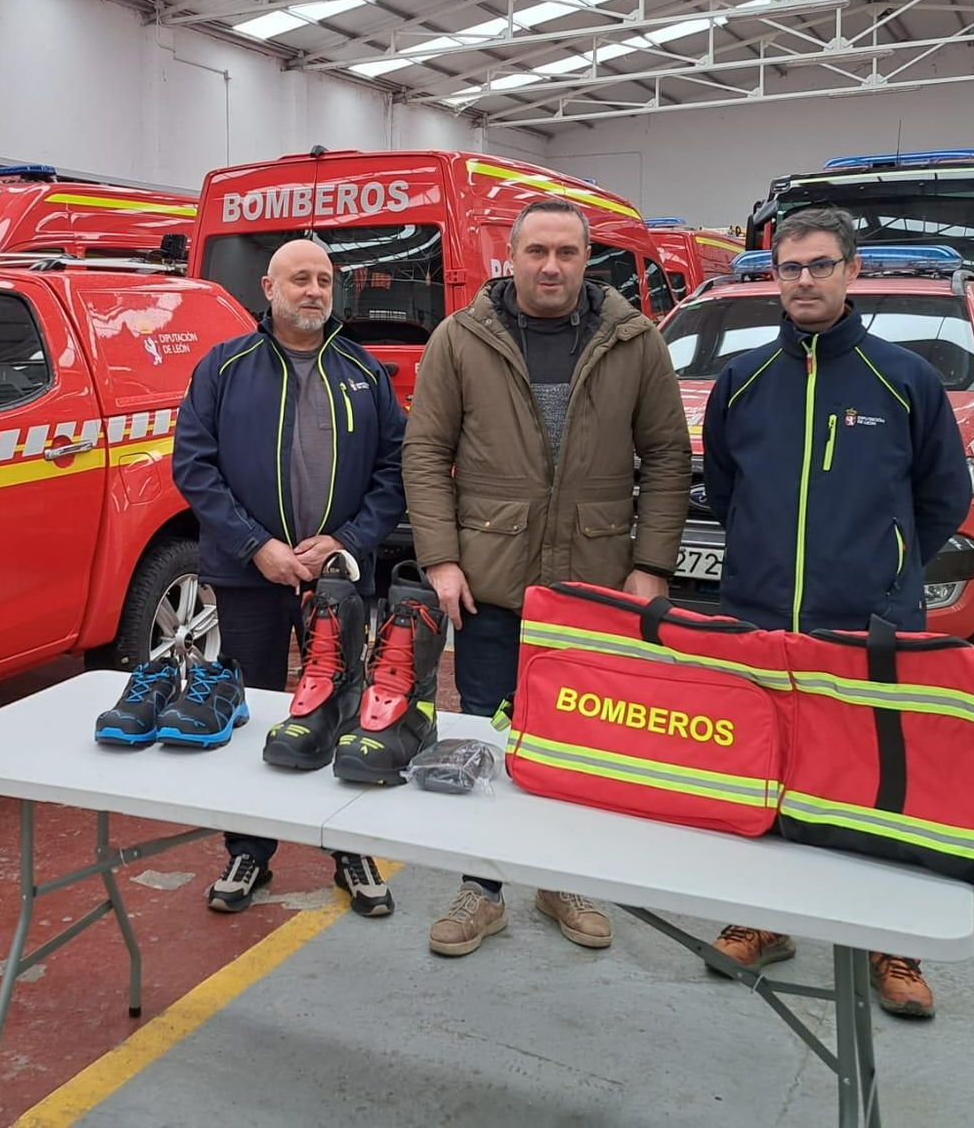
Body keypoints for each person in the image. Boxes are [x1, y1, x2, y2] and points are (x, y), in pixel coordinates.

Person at [701, 204, 973, 1018]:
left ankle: (889, 942)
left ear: (852, 273)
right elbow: (724, 490)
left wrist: (884, 575)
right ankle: (763, 919)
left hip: (869, 627)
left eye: (821, 265)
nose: (805, 281)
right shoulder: (742, 380)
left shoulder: (905, 378)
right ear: (773, 278)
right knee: (768, 775)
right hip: (760, 624)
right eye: (791, 268)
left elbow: (943, 498)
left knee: (881, 786)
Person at [403, 197, 691, 958]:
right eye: (538, 252)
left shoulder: (634, 341)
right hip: (492, 582)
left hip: (594, 586)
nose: (552, 267)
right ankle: (483, 887)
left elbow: (667, 456)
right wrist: (440, 557)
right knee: (486, 738)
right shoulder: (459, 339)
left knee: (580, 739)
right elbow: (425, 452)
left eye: (567, 253)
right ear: (513, 257)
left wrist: (651, 565)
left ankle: (563, 877)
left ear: (586, 260)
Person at [172, 238, 408, 918]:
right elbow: (195, 467)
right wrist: (258, 547)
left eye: (325, 280)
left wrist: (348, 542)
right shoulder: (224, 367)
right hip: (252, 577)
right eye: (299, 279)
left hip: (339, 580)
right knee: (255, 716)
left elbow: (395, 470)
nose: (313, 290)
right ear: (268, 289)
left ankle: (350, 847)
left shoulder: (363, 370)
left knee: (346, 710)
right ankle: (250, 850)